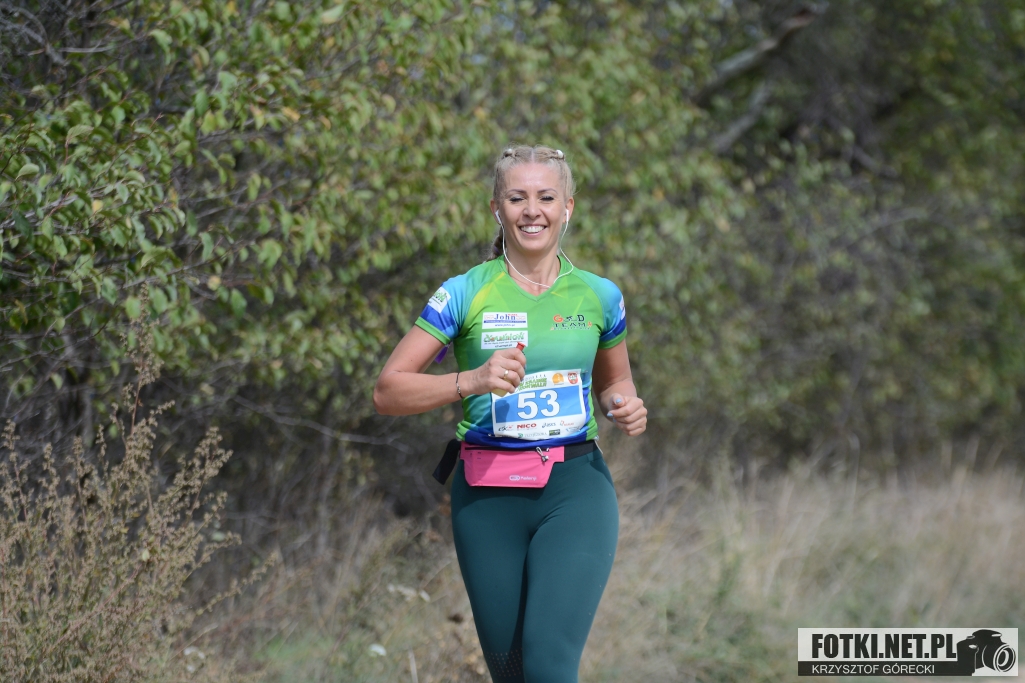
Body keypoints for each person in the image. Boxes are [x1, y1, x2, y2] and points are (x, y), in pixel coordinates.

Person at [374, 145, 647, 683]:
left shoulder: (599, 295)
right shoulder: (464, 293)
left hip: (575, 490)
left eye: (546, 197)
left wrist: (623, 406)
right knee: (511, 672)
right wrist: (470, 381)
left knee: (548, 666)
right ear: (496, 209)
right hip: (487, 497)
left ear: (568, 207)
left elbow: (615, 381)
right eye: (517, 198)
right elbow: (388, 391)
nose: (532, 211)